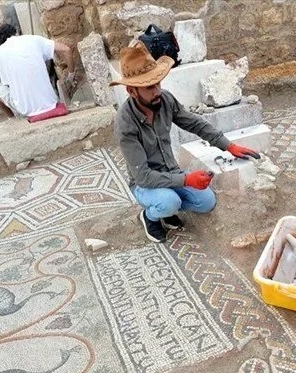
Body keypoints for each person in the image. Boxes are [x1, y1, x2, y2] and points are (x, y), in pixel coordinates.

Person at [111, 43, 260, 243]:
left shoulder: (164, 100)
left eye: (158, 83)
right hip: (144, 184)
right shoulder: (125, 124)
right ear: (131, 91)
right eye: (149, 87)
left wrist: (229, 146)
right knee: (168, 201)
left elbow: (195, 124)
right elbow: (144, 177)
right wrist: (187, 180)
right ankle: (150, 216)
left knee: (206, 202)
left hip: (171, 172)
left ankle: (167, 209)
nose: (157, 91)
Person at [0, 24, 76, 119]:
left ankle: (12, 119)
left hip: (24, 109)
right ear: (17, 33)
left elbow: (7, 85)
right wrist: (71, 74)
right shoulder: (34, 39)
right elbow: (66, 49)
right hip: (52, 102)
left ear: (1, 42)